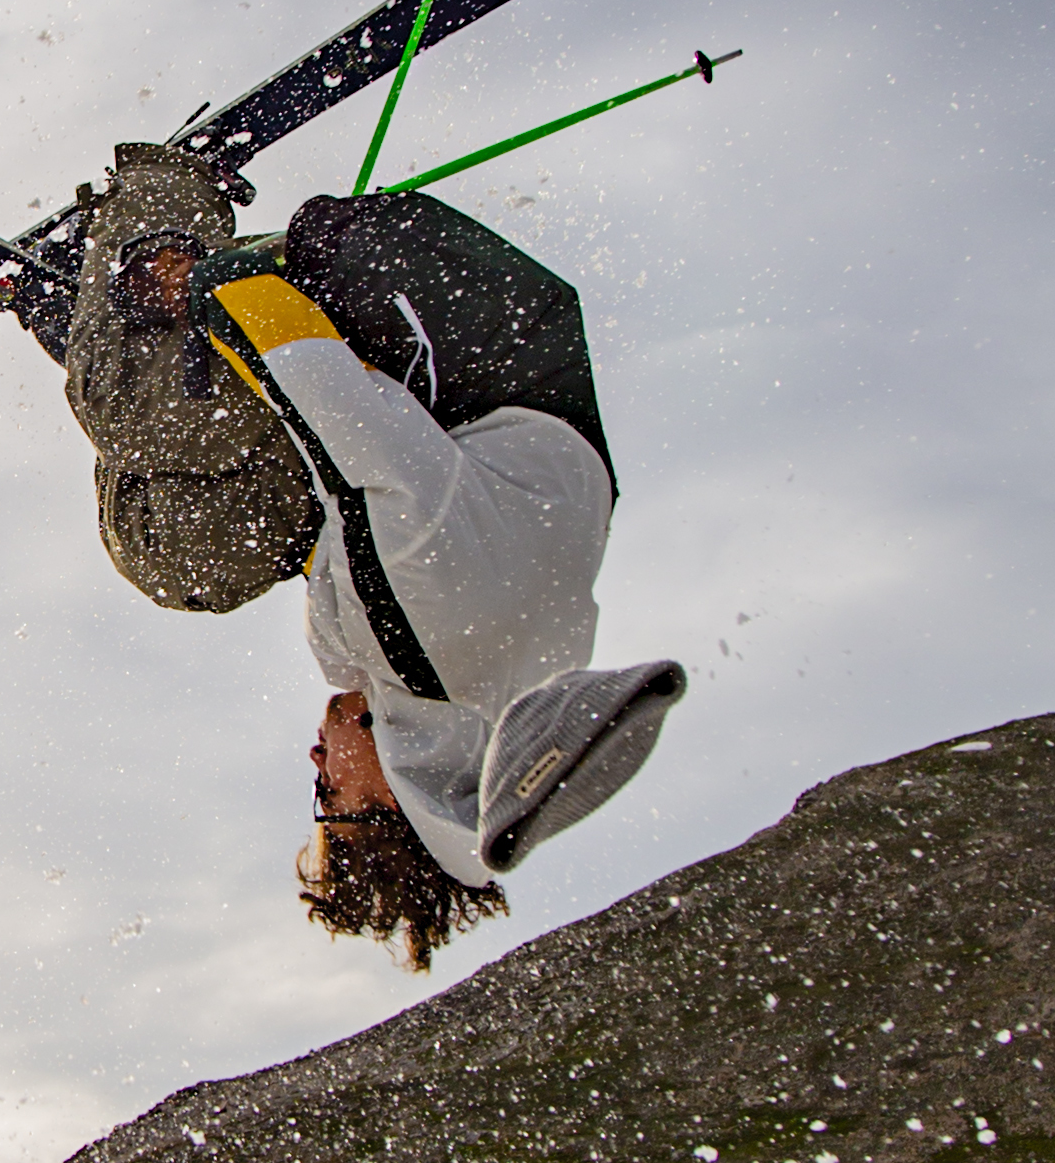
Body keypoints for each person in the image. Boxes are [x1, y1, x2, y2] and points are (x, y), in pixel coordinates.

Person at [57, 141, 682, 965]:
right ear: (399, 798)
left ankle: (126, 333)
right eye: (329, 792)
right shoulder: (431, 627)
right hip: (412, 295)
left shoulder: (463, 705)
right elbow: (341, 408)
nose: (316, 761)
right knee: (139, 413)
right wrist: (197, 284)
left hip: (447, 386)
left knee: (185, 559)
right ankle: (160, 203)